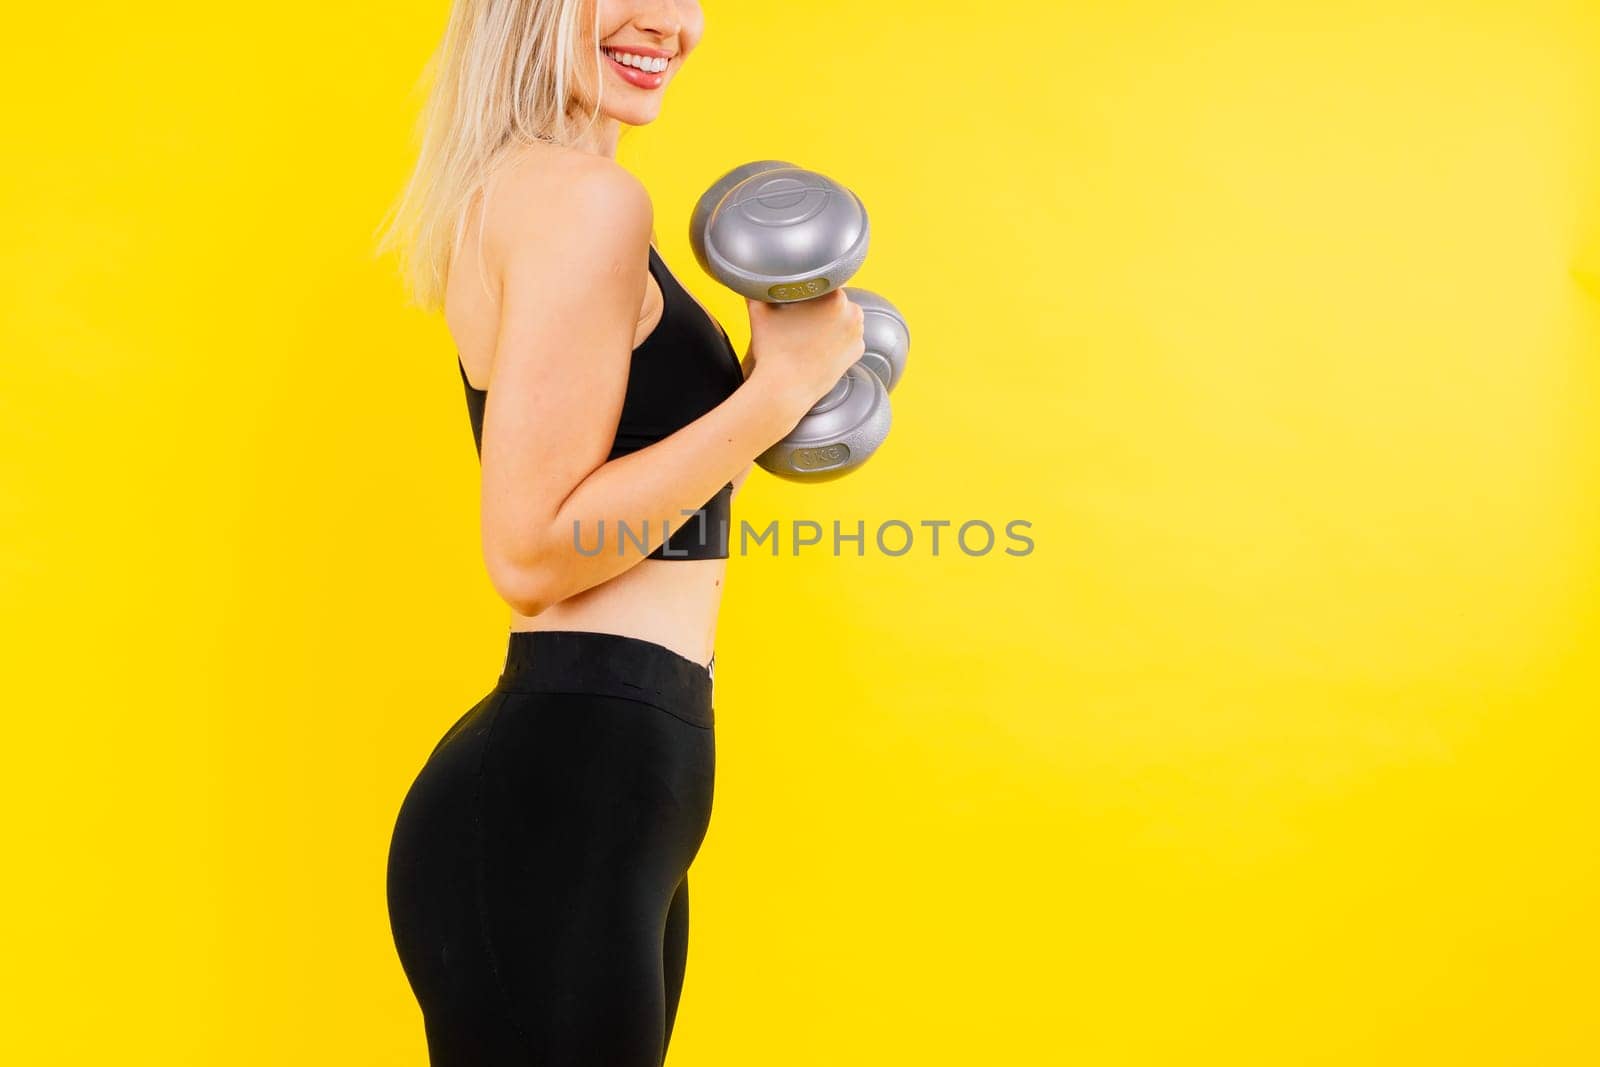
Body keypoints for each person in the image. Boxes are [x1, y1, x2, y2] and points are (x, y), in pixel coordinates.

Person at [379, 1, 867, 1064]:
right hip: (572, 782)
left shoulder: (524, 192)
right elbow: (531, 551)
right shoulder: (583, 202)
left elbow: (602, 479)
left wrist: (769, 394)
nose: (670, 23)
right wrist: (773, 395)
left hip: (606, 776)